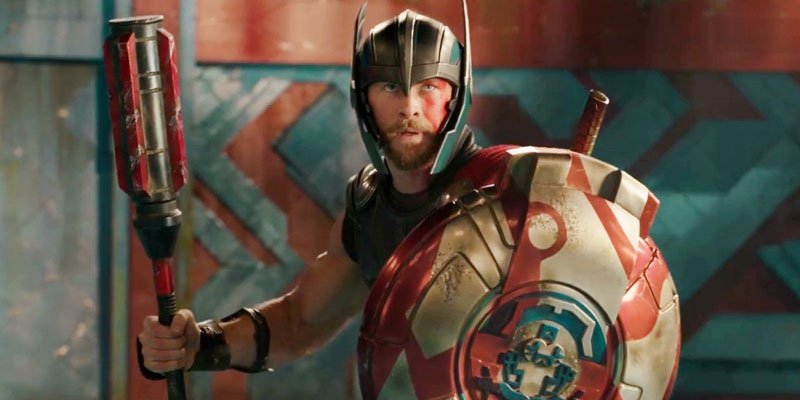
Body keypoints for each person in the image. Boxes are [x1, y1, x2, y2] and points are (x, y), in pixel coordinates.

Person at [139, 5, 493, 378]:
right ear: (364, 99)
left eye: (429, 87)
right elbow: (299, 323)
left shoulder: (509, 185)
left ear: (457, 95)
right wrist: (202, 345)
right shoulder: (371, 209)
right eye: (390, 87)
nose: (409, 108)